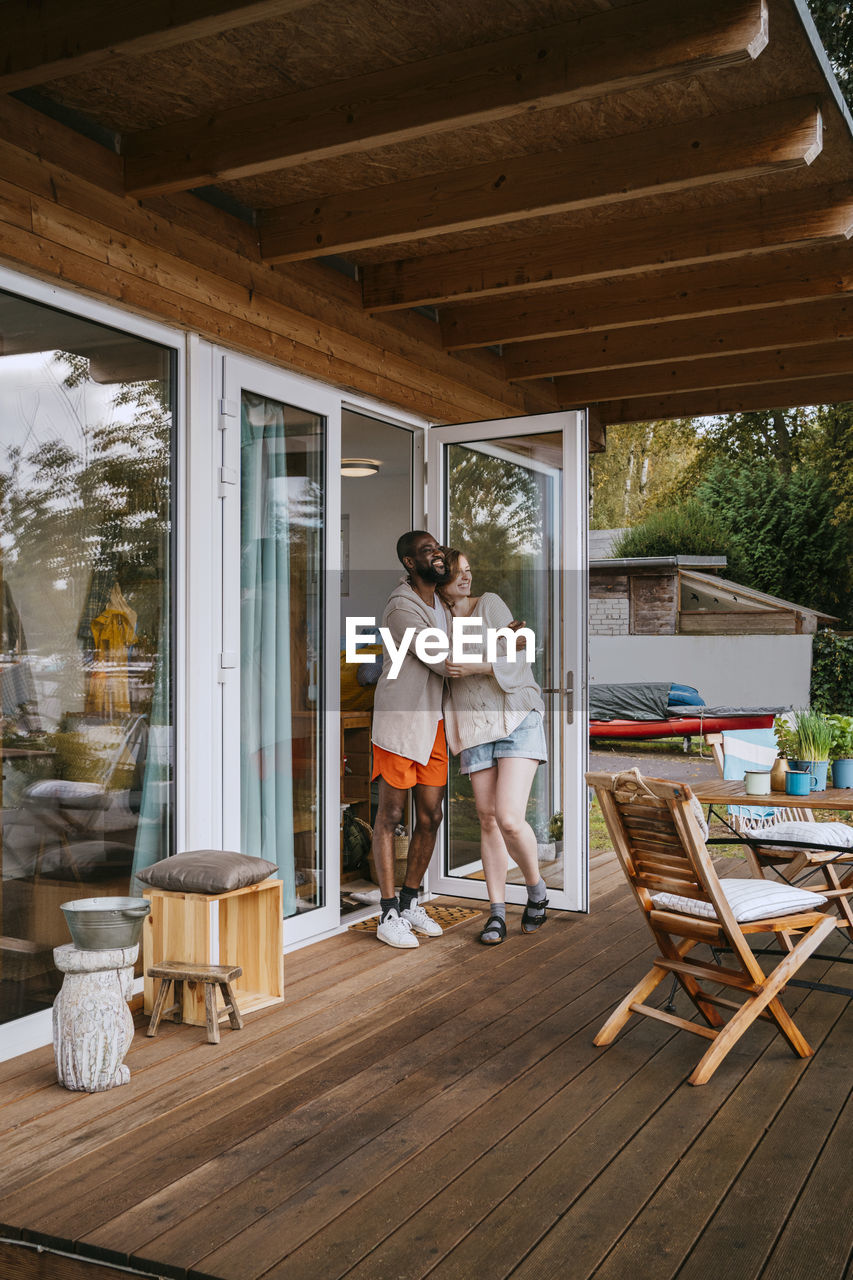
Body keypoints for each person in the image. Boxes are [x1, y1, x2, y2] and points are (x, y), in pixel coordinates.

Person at [440, 549, 549, 945]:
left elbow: (520, 654)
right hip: (475, 727)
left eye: (469, 570)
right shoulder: (436, 621)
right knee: (486, 819)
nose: (466, 578)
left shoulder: (490, 605)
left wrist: (476, 666)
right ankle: (497, 913)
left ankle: (536, 888)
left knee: (508, 817)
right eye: (456, 573)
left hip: (517, 717)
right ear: (440, 579)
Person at [368, 531, 452, 949]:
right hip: (400, 723)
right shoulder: (401, 608)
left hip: (432, 724)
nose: (435, 555)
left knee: (431, 817)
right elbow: (443, 660)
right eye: (426, 551)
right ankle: (386, 913)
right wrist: (499, 651)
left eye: (437, 549)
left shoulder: (443, 604)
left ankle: (408, 902)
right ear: (408, 562)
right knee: (392, 815)